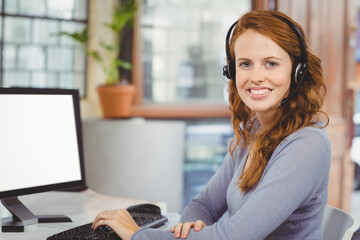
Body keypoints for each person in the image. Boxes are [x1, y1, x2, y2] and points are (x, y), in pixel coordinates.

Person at [91, 10, 331, 240]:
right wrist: (195, 226)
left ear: (297, 72)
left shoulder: (306, 145)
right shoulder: (253, 131)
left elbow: (236, 236)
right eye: (246, 64)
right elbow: (203, 204)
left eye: (271, 63)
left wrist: (136, 235)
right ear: (232, 71)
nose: (256, 76)